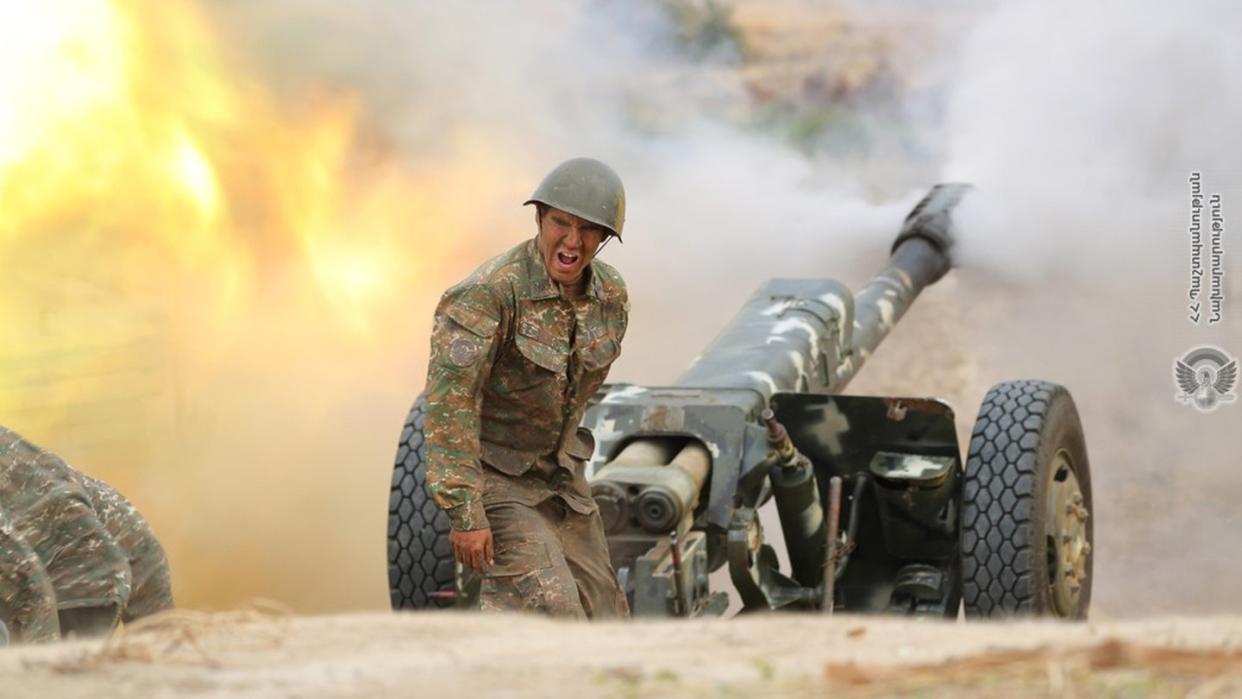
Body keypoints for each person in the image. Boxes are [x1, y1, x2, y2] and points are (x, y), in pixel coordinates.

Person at [423, 157, 630, 618]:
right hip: (495, 479)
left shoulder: (609, 296)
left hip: (561, 480)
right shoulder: (489, 293)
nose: (572, 242)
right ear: (540, 217)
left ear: (604, 238)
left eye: (589, 230)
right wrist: (465, 514)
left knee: (609, 620)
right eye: (561, 222)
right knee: (551, 614)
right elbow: (449, 406)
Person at [0, 424, 173, 643]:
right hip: (100, 576)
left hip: (68, 591)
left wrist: (41, 657)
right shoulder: (25, 459)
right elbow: (144, 546)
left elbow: (25, 579)